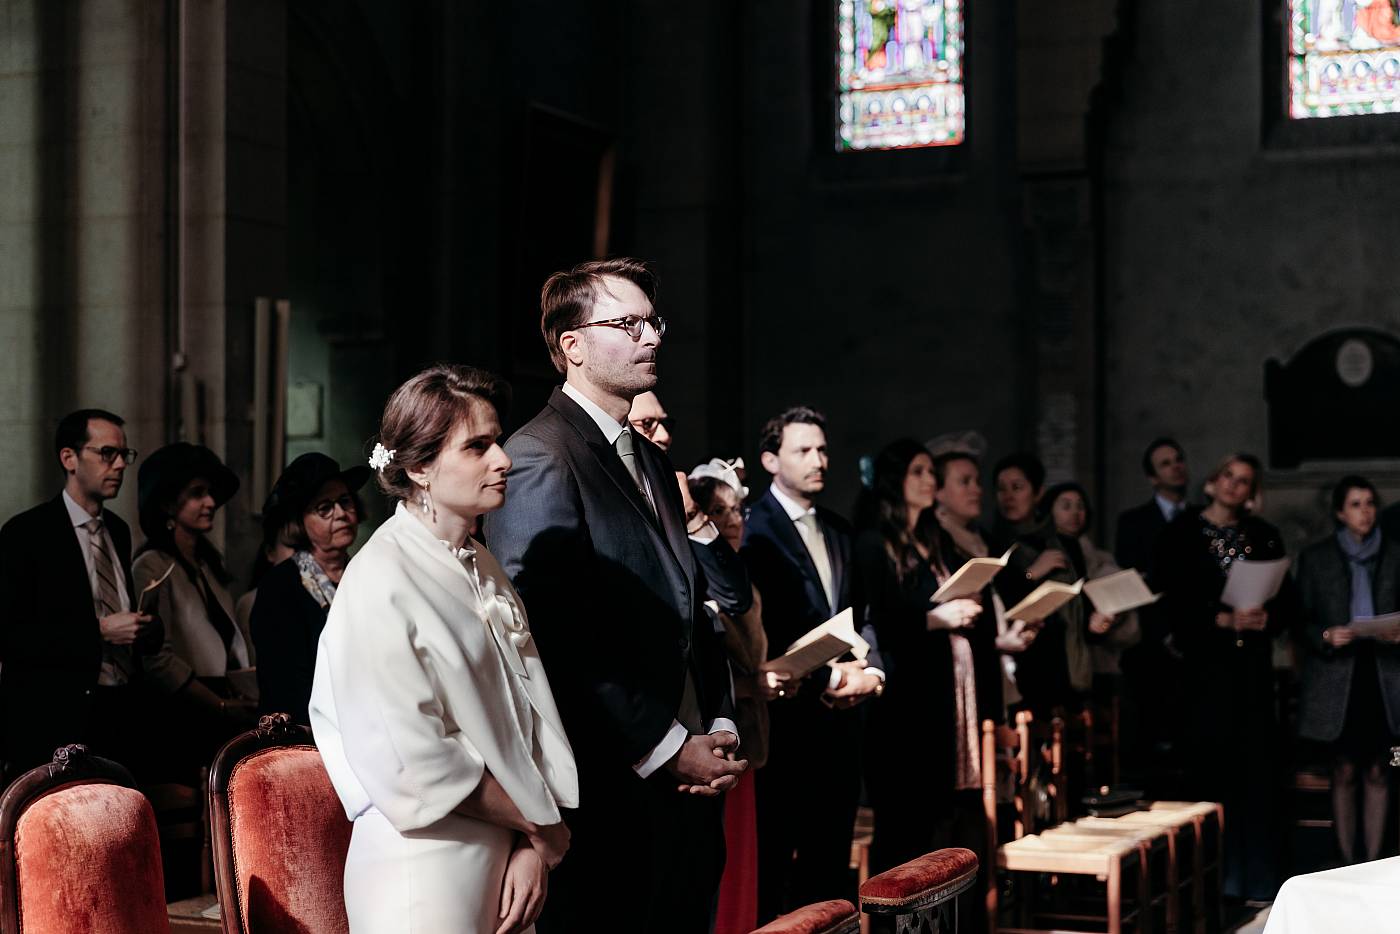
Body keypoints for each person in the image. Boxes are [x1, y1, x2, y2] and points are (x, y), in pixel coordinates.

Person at [485, 258, 744, 934]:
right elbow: (550, 635)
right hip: (611, 787)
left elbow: (689, 609)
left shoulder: (652, 458)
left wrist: (718, 724)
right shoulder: (542, 454)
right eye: (627, 323)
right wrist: (663, 745)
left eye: (652, 322)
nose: (651, 336)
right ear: (571, 346)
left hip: (687, 776)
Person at [310, 364, 576, 933]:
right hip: (422, 865)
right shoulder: (380, 577)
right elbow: (414, 759)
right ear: (420, 468)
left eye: (497, 440)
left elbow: (522, 720)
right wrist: (539, 825)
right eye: (478, 446)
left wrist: (529, 846)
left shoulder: (480, 562)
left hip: (500, 852)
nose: (503, 459)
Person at [742, 405, 884, 921]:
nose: (818, 460)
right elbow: (766, 629)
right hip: (787, 718)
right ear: (770, 460)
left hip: (843, 722)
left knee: (831, 862)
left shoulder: (840, 529)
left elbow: (864, 614)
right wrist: (829, 674)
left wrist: (873, 673)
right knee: (776, 860)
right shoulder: (753, 528)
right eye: (803, 450)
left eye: (822, 449)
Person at [1155, 452, 1298, 901]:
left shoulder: (1265, 535)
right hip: (1203, 676)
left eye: (1245, 481)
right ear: (1212, 483)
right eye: (1229, 477)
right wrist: (1219, 621)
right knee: (1208, 777)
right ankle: (1206, 888)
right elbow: (1168, 603)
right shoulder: (1180, 533)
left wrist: (1263, 620)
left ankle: (1255, 881)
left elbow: (1287, 604)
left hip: (1251, 674)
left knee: (1255, 777)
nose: (1236, 486)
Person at [855, 439, 988, 879]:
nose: (929, 480)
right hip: (903, 699)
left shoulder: (933, 538)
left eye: (932, 472)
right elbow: (878, 619)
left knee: (939, 821)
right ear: (896, 481)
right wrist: (936, 619)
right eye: (919, 472)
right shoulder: (875, 542)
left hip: (943, 693)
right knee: (904, 826)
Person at [0, 409, 158, 778]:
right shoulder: (27, 534)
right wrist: (100, 631)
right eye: (107, 454)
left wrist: (145, 628)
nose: (120, 465)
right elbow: (11, 636)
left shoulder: (117, 530)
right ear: (69, 458)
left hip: (119, 710)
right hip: (55, 721)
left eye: (124, 455)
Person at [688, 467, 781, 934]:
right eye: (717, 511)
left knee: (744, 868)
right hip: (713, 740)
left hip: (748, 739)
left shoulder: (742, 579)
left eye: (737, 509)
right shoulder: (698, 582)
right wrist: (747, 685)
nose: (732, 520)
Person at [1295, 475, 1400, 866]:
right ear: (1340, 512)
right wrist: (1325, 634)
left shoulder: (1395, 553)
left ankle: (1372, 863)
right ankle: (1344, 861)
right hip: (1336, 677)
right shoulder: (1317, 557)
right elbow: (1298, 620)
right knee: (1343, 769)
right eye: (1356, 504)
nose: (1365, 511)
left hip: (1383, 676)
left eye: (1370, 503)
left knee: (1378, 769)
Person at [134, 443, 256, 778]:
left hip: (222, 705)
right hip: (183, 712)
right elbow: (157, 659)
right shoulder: (151, 564)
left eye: (211, 493)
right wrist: (218, 705)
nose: (211, 503)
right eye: (196, 494)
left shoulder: (207, 565)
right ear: (168, 504)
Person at [251, 453, 370, 724]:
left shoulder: (366, 573)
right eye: (324, 508)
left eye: (344, 501)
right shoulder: (280, 587)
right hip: (305, 734)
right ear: (300, 522)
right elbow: (285, 685)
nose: (340, 514)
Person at [1004, 483, 1138, 718]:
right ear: (1049, 510)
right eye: (1066, 506)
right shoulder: (1028, 546)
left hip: (1081, 656)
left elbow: (1082, 612)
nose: (1075, 513)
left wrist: (1099, 624)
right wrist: (1032, 572)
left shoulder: (1085, 552)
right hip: (1042, 655)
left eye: (1080, 507)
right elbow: (1013, 593)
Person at [932, 449, 1035, 712]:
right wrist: (997, 642)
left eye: (977, 482)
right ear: (938, 491)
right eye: (965, 482)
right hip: (959, 670)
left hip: (999, 666)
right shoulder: (934, 542)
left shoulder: (986, 539)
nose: (976, 490)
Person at [1114, 437, 1190, 785]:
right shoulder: (1133, 522)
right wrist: (1162, 633)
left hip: (1194, 640)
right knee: (1149, 744)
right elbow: (1135, 584)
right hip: (1148, 645)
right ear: (1152, 477)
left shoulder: (1199, 518)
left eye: (1178, 460)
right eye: (1165, 463)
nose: (1176, 466)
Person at [989, 452, 1045, 553]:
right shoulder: (986, 542)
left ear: (1038, 493)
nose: (1008, 496)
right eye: (1001, 488)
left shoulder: (1056, 541)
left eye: (1017, 487)